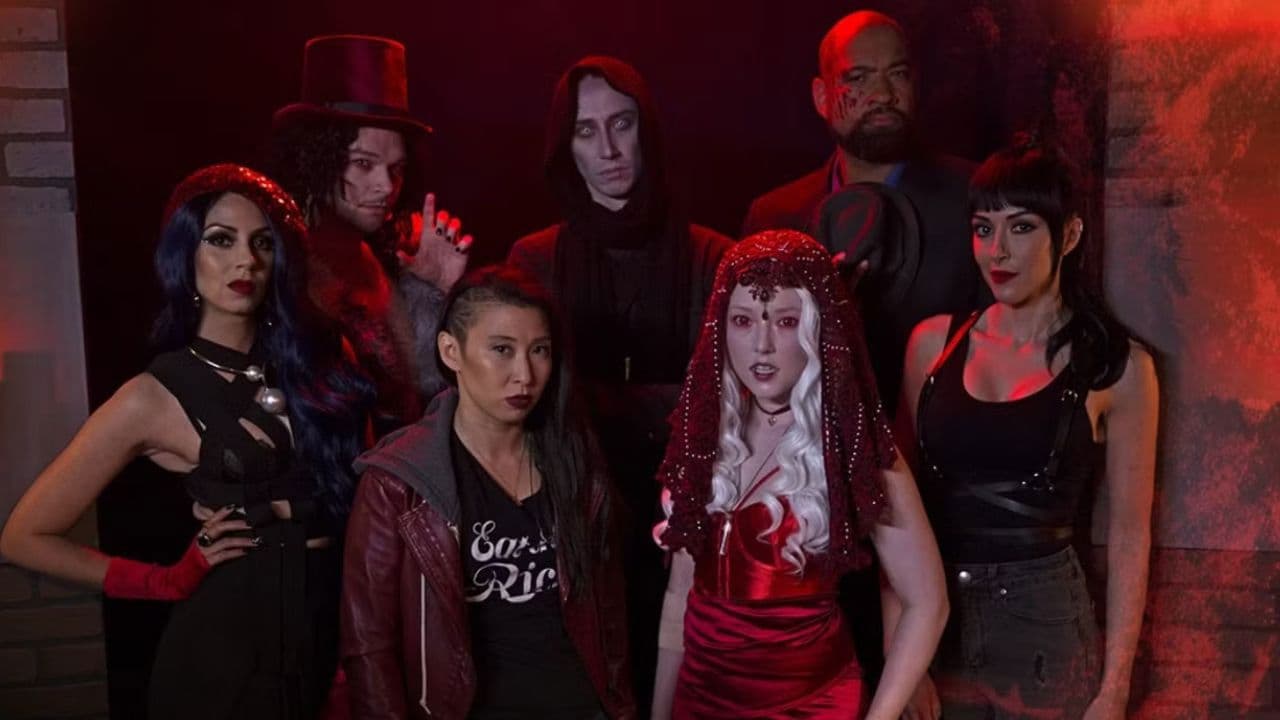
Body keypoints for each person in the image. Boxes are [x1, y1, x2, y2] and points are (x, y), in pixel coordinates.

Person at [0, 164, 373, 719]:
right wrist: (166, 581)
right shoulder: (151, 396)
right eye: (221, 240)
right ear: (185, 254)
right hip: (222, 657)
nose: (245, 260)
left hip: (326, 641)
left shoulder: (321, 360)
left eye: (262, 243)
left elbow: (366, 493)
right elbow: (24, 537)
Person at [892, 135, 1158, 718]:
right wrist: (898, 648)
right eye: (983, 229)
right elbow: (894, 509)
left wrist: (1114, 687)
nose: (998, 251)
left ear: (1070, 234)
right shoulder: (931, 346)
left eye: (1021, 227)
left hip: (1047, 624)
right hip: (937, 614)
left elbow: (1130, 534)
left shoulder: (1117, 367)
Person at [506, 55, 731, 710]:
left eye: (621, 124)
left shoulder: (713, 256)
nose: (607, 148)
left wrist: (596, 398)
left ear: (647, 130)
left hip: (687, 520)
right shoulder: (534, 258)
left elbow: (729, 402)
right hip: (571, 519)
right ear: (565, 146)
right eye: (585, 130)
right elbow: (524, 401)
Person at [651, 230, 948, 719]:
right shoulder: (704, 436)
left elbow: (928, 603)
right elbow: (679, 598)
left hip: (810, 708)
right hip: (699, 705)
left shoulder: (853, 443)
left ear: (819, 328)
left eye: (786, 322)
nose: (761, 345)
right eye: (743, 321)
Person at [339, 266, 635, 719]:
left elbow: (610, 615)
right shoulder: (397, 481)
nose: (524, 374)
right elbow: (369, 644)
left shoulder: (573, 458)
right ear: (451, 351)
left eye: (539, 351)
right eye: (502, 350)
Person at [741, 9, 985, 409]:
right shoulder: (772, 219)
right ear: (821, 97)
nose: (883, 95)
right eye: (858, 78)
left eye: (898, 74)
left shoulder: (974, 198)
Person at [270, 34, 472, 431]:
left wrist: (433, 290)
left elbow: (420, 392)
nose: (385, 185)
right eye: (364, 163)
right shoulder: (275, 258)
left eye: (397, 169)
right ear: (318, 158)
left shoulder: (375, 257)